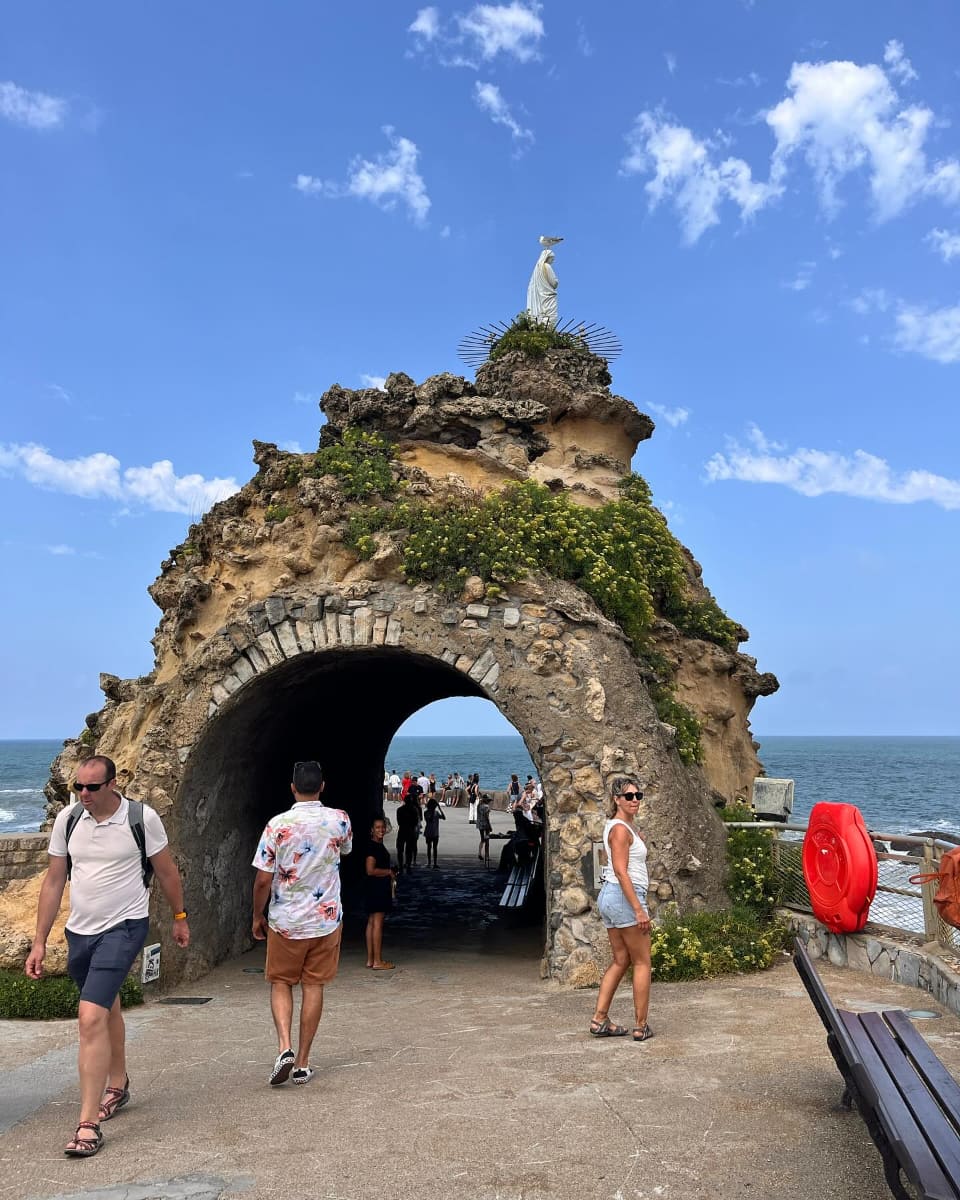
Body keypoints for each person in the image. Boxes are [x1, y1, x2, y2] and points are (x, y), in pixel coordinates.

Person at [25, 755, 190, 1158]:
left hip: (125, 926)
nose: (84, 794)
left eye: (92, 788)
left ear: (113, 784)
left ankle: (87, 1124)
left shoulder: (141, 819)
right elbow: (53, 880)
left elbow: (166, 872)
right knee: (106, 1004)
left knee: (90, 1016)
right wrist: (40, 940)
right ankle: (118, 1083)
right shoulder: (68, 820)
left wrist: (180, 917)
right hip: (81, 932)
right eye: (78, 787)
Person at [252, 760, 353, 1087]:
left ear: (293, 787)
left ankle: (285, 1047)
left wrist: (257, 915)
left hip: (286, 920)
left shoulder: (277, 825)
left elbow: (263, 880)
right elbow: (345, 851)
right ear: (322, 786)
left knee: (281, 982)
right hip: (325, 920)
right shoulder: (339, 820)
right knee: (314, 986)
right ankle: (304, 1063)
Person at [590, 778, 653, 1043]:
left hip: (612, 897)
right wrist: (638, 909)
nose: (635, 800)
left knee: (621, 960)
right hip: (625, 896)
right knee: (642, 962)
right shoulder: (619, 830)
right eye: (628, 796)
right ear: (616, 799)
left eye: (638, 795)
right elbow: (620, 870)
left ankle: (600, 1020)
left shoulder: (625, 828)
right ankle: (640, 1026)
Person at [364, 816, 396, 970]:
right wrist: (388, 872)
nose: (381, 830)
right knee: (377, 923)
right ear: (372, 830)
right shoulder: (374, 847)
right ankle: (377, 961)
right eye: (377, 827)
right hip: (377, 888)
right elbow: (370, 870)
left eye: (382, 827)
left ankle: (371, 959)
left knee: (371, 922)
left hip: (372, 888)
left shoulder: (375, 845)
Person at [395, 785, 421, 873]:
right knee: (409, 850)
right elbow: (416, 821)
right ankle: (408, 865)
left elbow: (399, 821)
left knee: (400, 850)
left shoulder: (399, 810)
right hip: (410, 830)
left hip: (402, 830)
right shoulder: (414, 810)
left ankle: (401, 865)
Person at [422, 794, 446, 868]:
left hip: (434, 832)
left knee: (434, 848)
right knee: (429, 847)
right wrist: (435, 810)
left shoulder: (435, 812)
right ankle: (430, 862)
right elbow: (429, 819)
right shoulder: (426, 812)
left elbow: (444, 817)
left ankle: (434, 863)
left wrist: (440, 809)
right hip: (430, 832)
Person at [476, 793, 493, 864]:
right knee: (487, 840)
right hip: (485, 824)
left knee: (482, 839)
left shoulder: (479, 805)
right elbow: (487, 817)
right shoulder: (487, 807)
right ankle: (487, 856)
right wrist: (490, 826)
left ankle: (479, 853)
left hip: (479, 824)